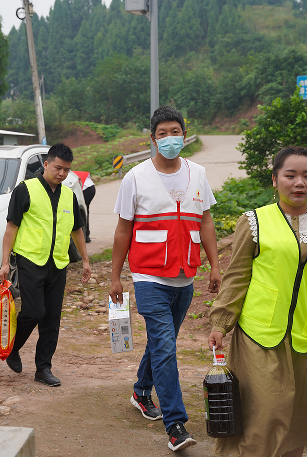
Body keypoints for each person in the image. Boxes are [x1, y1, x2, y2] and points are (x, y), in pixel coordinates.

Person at [207, 146, 307, 457]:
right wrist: (220, 323)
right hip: (260, 335)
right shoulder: (254, 221)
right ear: (275, 179)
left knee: (298, 417)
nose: (299, 183)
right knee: (266, 413)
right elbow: (237, 275)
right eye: (290, 175)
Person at [109, 105, 222, 452]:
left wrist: (214, 265)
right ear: (153, 139)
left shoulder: (198, 173)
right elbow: (123, 229)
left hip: (184, 275)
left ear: (184, 135)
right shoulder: (135, 177)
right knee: (165, 346)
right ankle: (176, 425)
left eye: (175, 132)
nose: (170, 138)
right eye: (162, 134)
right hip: (147, 275)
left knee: (162, 343)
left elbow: (205, 222)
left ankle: (141, 391)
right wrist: (115, 276)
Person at [0, 143, 91, 387]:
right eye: (58, 168)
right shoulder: (25, 190)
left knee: (51, 318)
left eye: (67, 170)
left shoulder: (69, 195)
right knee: (34, 311)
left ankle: (43, 368)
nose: (62, 174)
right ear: (46, 164)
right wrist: (5, 262)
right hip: (30, 261)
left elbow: (77, 230)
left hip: (58, 264)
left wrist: (86, 260)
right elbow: (11, 228)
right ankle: (13, 348)